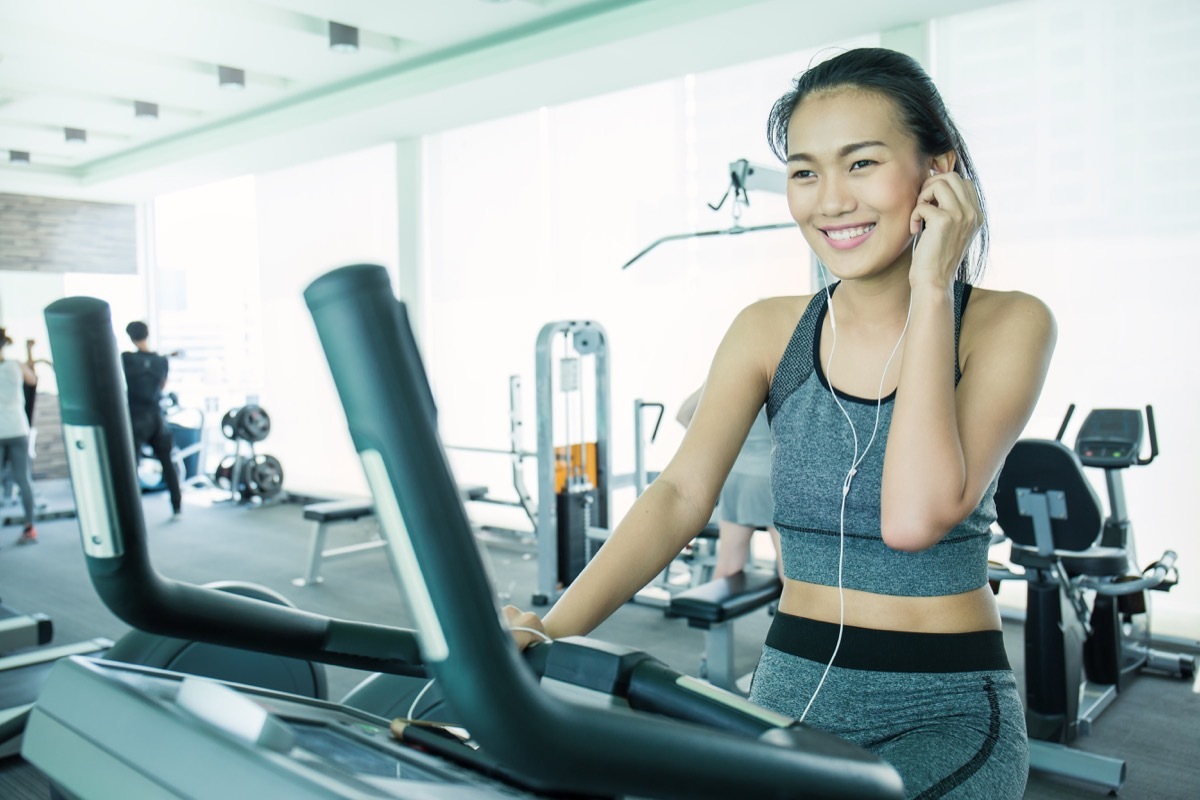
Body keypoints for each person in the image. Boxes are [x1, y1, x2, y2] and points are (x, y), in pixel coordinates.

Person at [505, 47, 1055, 799]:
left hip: (941, 706)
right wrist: (552, 629)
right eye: (805, 171)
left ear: (938, 171)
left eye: (861, 163)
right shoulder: (768, 330)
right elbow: (679, 495)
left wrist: (932, 287)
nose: (829, 201)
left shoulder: (1007, 324)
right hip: (789, 688)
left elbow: (913, 518)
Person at [678, 387, 782, 578]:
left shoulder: (731, 372)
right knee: (791, 575)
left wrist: (717, 442)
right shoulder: (782, 372)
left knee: (728, 566)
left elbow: (684, 414)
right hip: (772, 479)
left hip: (735, 477)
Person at [121, 321, 182, 517]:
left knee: (132, 464)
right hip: (157, 416)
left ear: (130, 337)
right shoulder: (161, 361)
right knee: (167, 462)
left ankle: (130, 509)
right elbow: (162, 385)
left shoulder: (127, 359)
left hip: (137, 416)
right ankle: (177, 505)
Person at [0, 328, 40, 544]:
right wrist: (29, 352)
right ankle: (30, 528)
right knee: (23, 479)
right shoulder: (16, 365)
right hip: (18, 428)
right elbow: (32, 380)